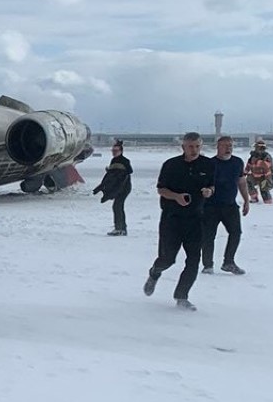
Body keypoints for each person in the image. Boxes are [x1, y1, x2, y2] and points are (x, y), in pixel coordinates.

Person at [143, 132, 215, 311]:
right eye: (190, 146)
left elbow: (211, 185)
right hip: (172, 219)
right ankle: (155, 272)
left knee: (193, 260)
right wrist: (176, 197)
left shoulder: (208, 164)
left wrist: (209, 191)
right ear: (183, 147)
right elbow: (161, 189)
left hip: (196, 219)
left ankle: (182, 296)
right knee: (167, 259)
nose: (194, 150)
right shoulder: (171, 165)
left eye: (197, 146)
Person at [202, 136, 248, 275]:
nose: (228, 148)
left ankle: (229, 262)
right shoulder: (210, 164)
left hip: (230, 206)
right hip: (211, 206)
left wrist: (246, 200)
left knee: (236, 233)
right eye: (225, 146)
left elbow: (241, 182)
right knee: (208, 236)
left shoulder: (237, 162)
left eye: (230, 146)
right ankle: (208, 265)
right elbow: (202, 185)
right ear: (218, 147)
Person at [92, 139, 133, 236]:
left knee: (117, 206)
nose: (114, 153)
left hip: (124, 187)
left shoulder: (125, 161)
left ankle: (119, 228)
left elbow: (127, 172)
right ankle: (122, 228)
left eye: (116, 151)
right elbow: (112, 176)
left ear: (121, 151)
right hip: (118, 187)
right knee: (118, 207)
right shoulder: (113, 161)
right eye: (113, 151)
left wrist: (116, 174)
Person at [245, 139, 273, 205]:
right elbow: (248, 165)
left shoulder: (266, 157)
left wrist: (259, 162)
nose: (259, 150)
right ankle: (254, 197)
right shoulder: (252, 157)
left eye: (261, 148)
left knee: (264, 189)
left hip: (264, 177)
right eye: (257, 148)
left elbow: (269, 167)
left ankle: (268, 201)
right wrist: (245, 173)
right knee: (248, 181)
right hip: (254, 176)